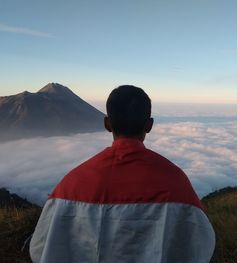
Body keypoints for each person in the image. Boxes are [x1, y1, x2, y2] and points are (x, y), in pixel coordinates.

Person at [30, 85, 215, 263]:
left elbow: (40, 249)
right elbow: (200, 247)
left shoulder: (71, 184)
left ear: (107, 124)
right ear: (149, 125)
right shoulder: (176, 182)